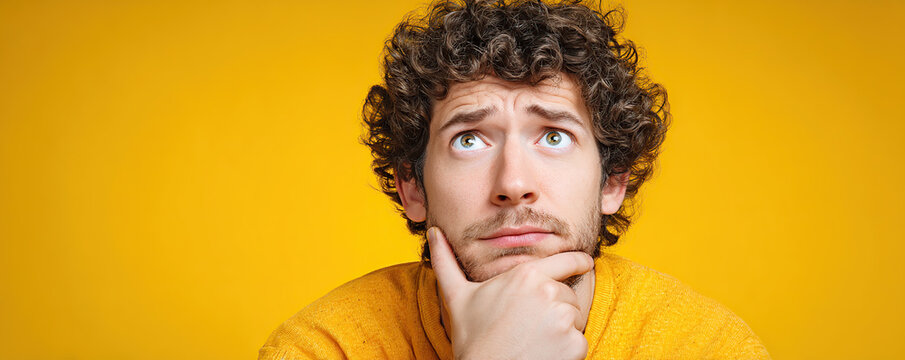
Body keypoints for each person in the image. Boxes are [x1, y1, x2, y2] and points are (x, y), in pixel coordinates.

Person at [260, 0, 770, 358]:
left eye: (552, 136)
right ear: (412, 186)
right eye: (469, 139)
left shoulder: (707, 348)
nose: (513, 183)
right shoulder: (325, 348)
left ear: (612, 180)